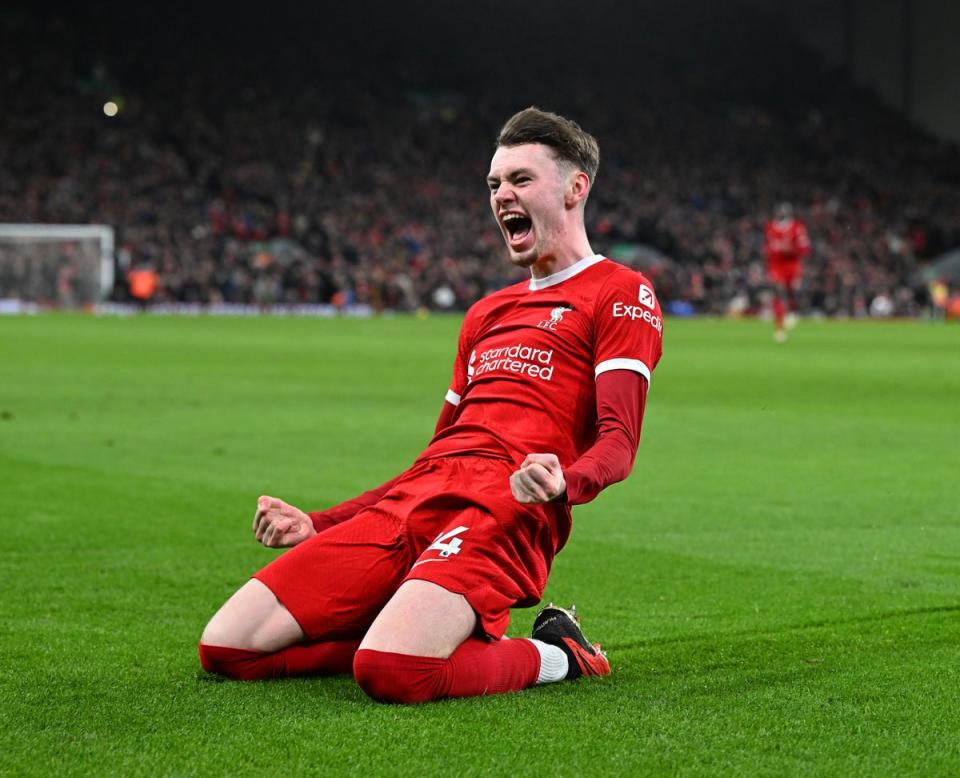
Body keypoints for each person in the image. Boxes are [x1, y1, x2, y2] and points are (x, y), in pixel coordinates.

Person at [198, 107, 664, 703]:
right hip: (420, 502)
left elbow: (619, 444)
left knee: (391, 673)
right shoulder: (485, 314)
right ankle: (402, 626)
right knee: (229, 647)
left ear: (576, 188)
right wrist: (319, 522)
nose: (502, 196)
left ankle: (559, 655)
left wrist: (560, 484)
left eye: (521, 180)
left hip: (504, 509)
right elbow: (431, 461)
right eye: (494, 184)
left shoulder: (620, 292)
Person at [763, 202, 810, 342]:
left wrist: (790, 249)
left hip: (792, 264)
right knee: (778, 290)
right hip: (776, 264)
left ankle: (793, 312)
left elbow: (805, 248)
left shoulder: (797, 227)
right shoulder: (770, 227)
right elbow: (768, 246)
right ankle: (779, 329)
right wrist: (772, 251)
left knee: (791, 291)